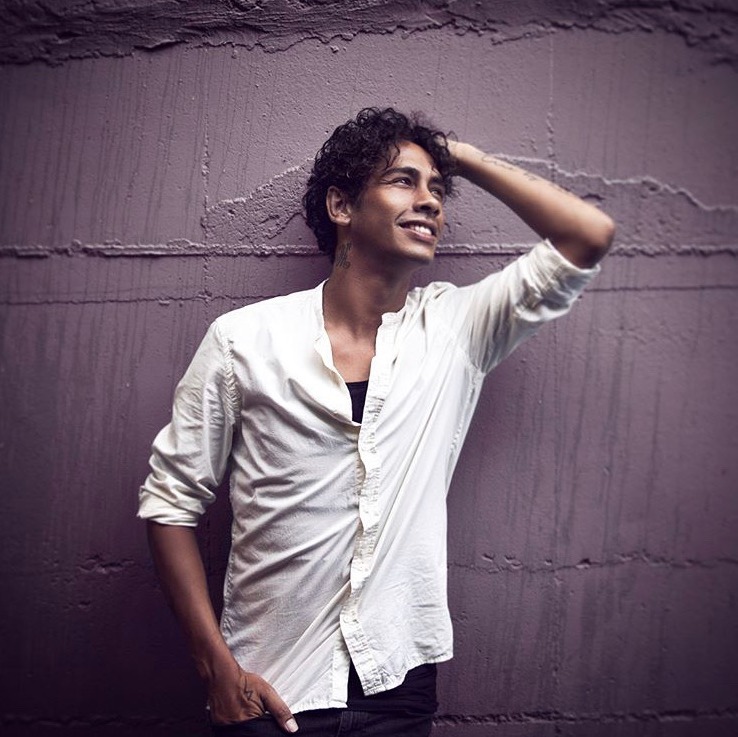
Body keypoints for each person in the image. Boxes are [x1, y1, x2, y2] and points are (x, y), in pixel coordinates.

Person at [138, 107, 615, 736]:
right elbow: (170, 504)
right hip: (267, 688)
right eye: (403, 180)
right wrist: (216, 670)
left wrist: (457, 156)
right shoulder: (243, 341)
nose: (430, 202)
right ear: (341, 206)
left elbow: (588, 234)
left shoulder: (456, 330)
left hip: (398, 688)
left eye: (437, 189)